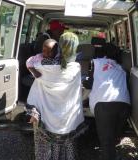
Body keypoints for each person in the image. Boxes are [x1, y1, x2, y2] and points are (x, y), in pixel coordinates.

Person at [27, 32, 86, 160]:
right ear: (75, 48)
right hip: (67, 119)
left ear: (59, 46)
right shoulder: (76, 68)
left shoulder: (41, 65)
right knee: (67, 144)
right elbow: (78, 91)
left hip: (44, 115)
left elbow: (30, 64)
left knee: (44, 145)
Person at [89, 43, 131, 160]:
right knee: (112, 139)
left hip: (104, 105)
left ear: (103, 53)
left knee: (107, 144)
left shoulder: (96, 62)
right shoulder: (121, 68)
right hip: (124, 105)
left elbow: (90, 82)